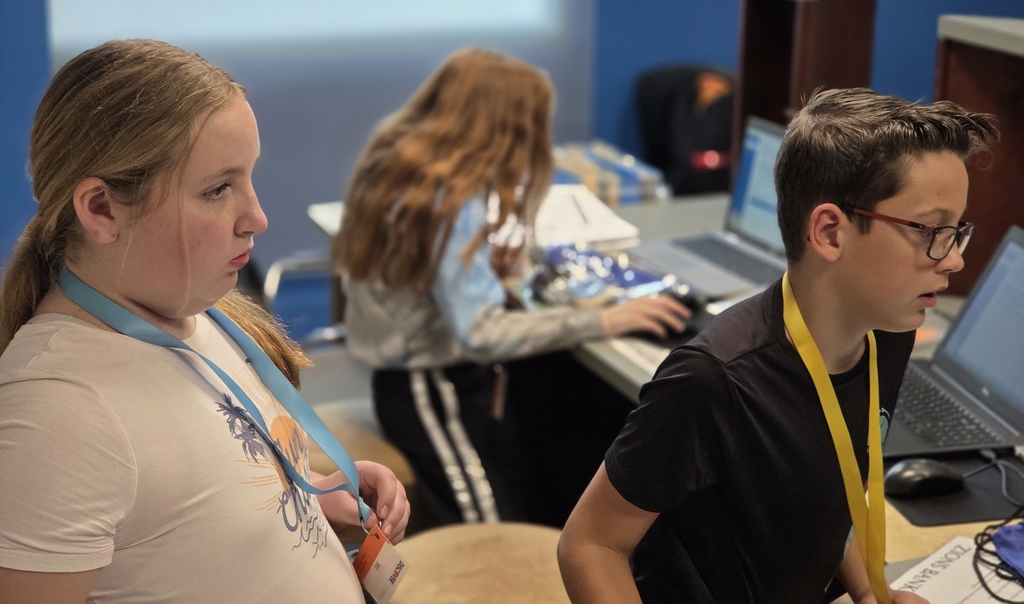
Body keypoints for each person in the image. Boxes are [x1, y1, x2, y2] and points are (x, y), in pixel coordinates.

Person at [0, 39, 410, 604]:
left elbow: (190, 502)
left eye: (247, 178)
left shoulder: (189, 311)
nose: (257, 217)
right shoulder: (59, 414)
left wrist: (313, 493)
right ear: (100, 209)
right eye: (218, 189)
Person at [557, 87, 999, 604]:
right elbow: (589, 544)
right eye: (932, 231)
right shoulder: (713, 381)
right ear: (831, 232)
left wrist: (871, 592)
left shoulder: (886, 335)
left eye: (957, 231)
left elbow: (828, 489)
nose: (954, 260)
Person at [333, 46, 692, 528]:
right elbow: (480, 332)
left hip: (414, 376)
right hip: (430, 388)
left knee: (524, 479)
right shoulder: (449, 200)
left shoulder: (403, 156)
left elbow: (426, 276)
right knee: (491, 525)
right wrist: (603, 319)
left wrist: (483, 269)